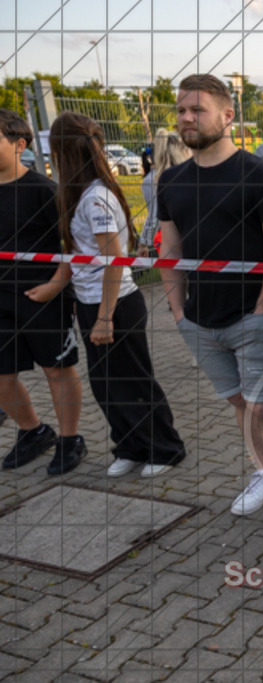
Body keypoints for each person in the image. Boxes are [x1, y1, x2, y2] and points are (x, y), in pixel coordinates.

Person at [158, 74, 263, 529]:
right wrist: (179, 313)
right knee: (242, 406)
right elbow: (170, 250)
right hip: (200, 321)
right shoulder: (171, 179)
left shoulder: (259, 174)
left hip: (252, 318)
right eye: (181, 110)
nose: (187, 118)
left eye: (197, 110)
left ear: (227, 115)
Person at [37, 112, 187, 476]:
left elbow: (114, 261)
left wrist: (105, 316)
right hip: (91, 304)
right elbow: (78, 255)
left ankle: (165, 449)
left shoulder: (96, 198)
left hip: (116, 305)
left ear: (63, 152)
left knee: (134, 382)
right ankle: (131, 446)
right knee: (107, 386)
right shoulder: (80, 194)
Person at [0, 109, 84, 474]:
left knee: (56, 370)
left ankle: (69, 439)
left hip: (41, 298)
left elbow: (74, 245)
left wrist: (54, 286)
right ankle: (34, 431)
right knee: (2, 378)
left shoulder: (44, 191)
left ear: (19, 145)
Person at [140, 129, 191, 257]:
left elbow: (153, 216)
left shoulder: (153, 180)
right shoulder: (157, 180)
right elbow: (155, 215)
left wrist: (143, 243)